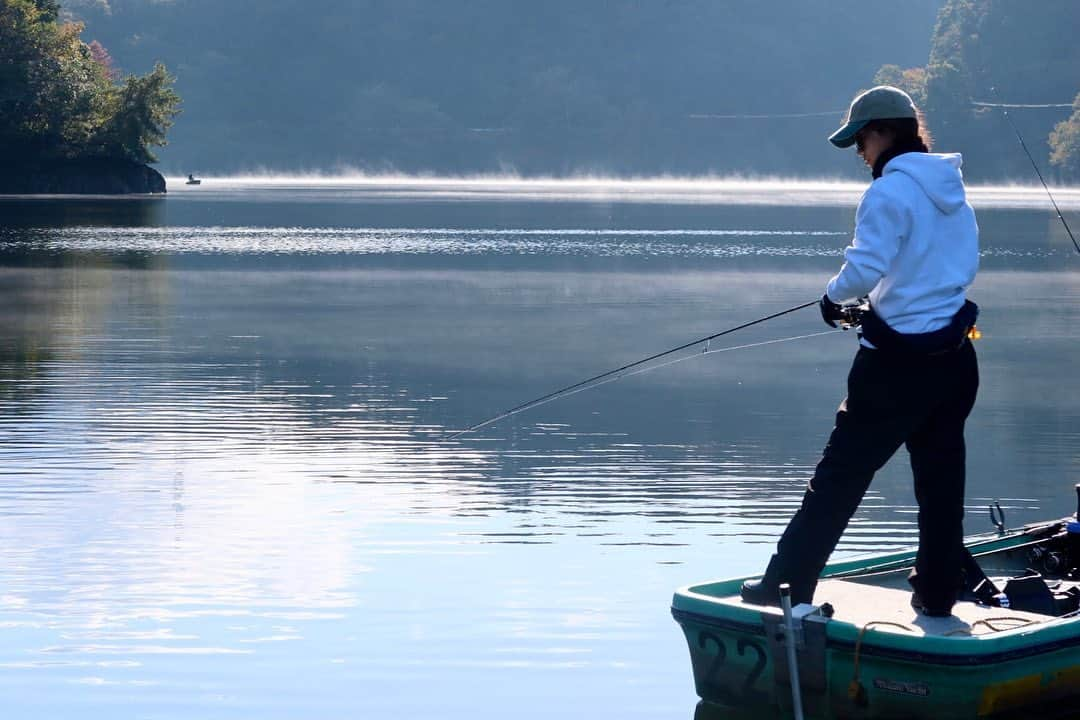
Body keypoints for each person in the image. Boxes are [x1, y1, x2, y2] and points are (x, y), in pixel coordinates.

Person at [740, 86, 980, 617]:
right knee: (941, 484)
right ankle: (938, 595)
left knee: (838, 479)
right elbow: (949, 267)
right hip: (957, 360)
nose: (859, 153)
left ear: (884, 132)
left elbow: (867, 267)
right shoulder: (953, 191)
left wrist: (832, 295)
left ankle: (786, 585)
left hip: (894, 369)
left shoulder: (888, 193)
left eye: (861, 141)